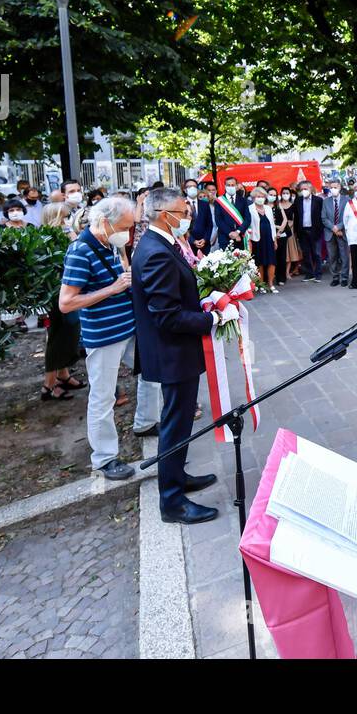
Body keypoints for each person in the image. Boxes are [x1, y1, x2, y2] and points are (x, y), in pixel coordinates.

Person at [130, 188, 230, 524]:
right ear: (162, 214)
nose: (187, 215)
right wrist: (212, 319)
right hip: (172, 352)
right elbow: (167, 315)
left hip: (176, 351)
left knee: (182, 420)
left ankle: (177, 477)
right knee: (174, 424)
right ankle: (172, 501)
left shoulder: (162, 244)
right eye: (182, 211)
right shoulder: (156, 251)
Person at [58, 196, 162, 481]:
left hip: (129, 327)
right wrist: (113, 289)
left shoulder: (109, 243)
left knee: (152, 373)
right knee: (103, 396)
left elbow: (122, 275)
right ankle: (104, 459)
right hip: (104, 335)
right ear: (104, 222)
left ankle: (145, 422)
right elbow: (66, 303)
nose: (128, 234)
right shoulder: (80, 251)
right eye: (125, 227)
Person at [40, 202, 85, 401]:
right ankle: (49, 384)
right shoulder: (45, 239)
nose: (67, 222)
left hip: (69, 293)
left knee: (70, 333)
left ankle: (63, 373)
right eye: (64, 218)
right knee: (57, 337)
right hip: (55, 295)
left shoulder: (64, 236)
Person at [247, 186, 279, 292]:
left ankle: (270, 284)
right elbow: (249, 225)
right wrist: (249, 241)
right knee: (259, 262)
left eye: (262, 196)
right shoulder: (250, 209)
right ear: (253, 197)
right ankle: (261, 284)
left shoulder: (268, 209)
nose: (260, 198)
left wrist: (275, 240)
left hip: (269, 239)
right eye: (258, 196)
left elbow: (272, 225)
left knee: (271, 261)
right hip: (257, 239)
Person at [294, 180, 324, 281]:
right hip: (302, 231)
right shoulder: (298, 200)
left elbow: (322, 216)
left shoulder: (318, 200)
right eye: (302, 189)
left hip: (315, 230)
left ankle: (318, 274)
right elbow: (296, 217)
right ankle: (309, 273)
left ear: (310, 189)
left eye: (305, 189)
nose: (303, 191)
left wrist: (320, 229)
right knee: (306, 253)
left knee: (317, 253)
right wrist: (296, 231)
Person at [323, 177, 351, 286]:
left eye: (335, 187)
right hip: (330, 233)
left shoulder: (347, 200)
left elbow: (348, 216)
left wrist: (339, 227)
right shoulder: (326, 202)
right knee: (332, 256)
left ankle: (344, 278)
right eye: (331, 187)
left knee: (344, 256)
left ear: (340, 187)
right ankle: (335, 277)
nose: (333, 189)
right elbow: (324, 218)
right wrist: (333, 228)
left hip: (342, 232)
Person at [212, 176, 249, 250]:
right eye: (228, 185)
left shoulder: (243, 200)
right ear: (225, 186)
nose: (230, 187)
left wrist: (238, 232)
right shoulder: (219, 201)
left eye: (233, 185)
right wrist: (230, 233)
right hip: (225, 238)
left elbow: (248, 219)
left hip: (241, 237)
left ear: (236, 186)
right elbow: (218, 220)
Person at [274, 186, 300, 283]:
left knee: (289, 252)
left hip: (290, 230)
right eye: (284, 193)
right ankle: (278, 273)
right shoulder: (278, 205)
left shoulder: (293, 206)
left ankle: (287, 272)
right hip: (278, 229)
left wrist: (288, 226)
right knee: (280, 252)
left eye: (287, 193)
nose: (285, 195)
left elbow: (294, 219)